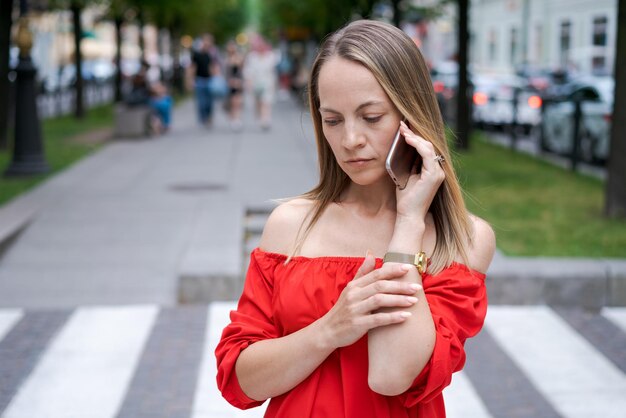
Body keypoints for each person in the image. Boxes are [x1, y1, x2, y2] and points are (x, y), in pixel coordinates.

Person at [215, 20, 495, 418]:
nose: (350, 140)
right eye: (332, 120)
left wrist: (409, 222)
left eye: (371, 117)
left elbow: (391, 374)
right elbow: (240, 381)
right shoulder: (290, 224)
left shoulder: (464, 240)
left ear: (411, 115)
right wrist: (331, 329)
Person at [244, 35, 277, 130]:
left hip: (267, 82)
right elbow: (248, 70)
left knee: (266, 102)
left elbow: (273, 71)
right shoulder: (252, 57)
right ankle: (260, 117)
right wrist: (248, 82)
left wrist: (274, 84)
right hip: (255, 82)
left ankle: (266, 120)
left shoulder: (270, 56)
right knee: (257, 102)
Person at [191, 34, 217, 127]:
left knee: (209, 102)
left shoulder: (212, 54)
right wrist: (191, 80)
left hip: (210, 80)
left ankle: (209, 117)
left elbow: (214, 67)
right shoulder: (196, 54)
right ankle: (203, 118)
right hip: (200, 79)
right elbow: (193, 68)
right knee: (201, 101)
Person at [224, 40, 245, 131]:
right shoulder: (225, 58)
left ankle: (237, 119)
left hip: (238, 82)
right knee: (231, 102)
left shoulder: (239, 57)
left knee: (237, 102)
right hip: (229, 83)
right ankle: (232, 118)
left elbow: (241, 69)